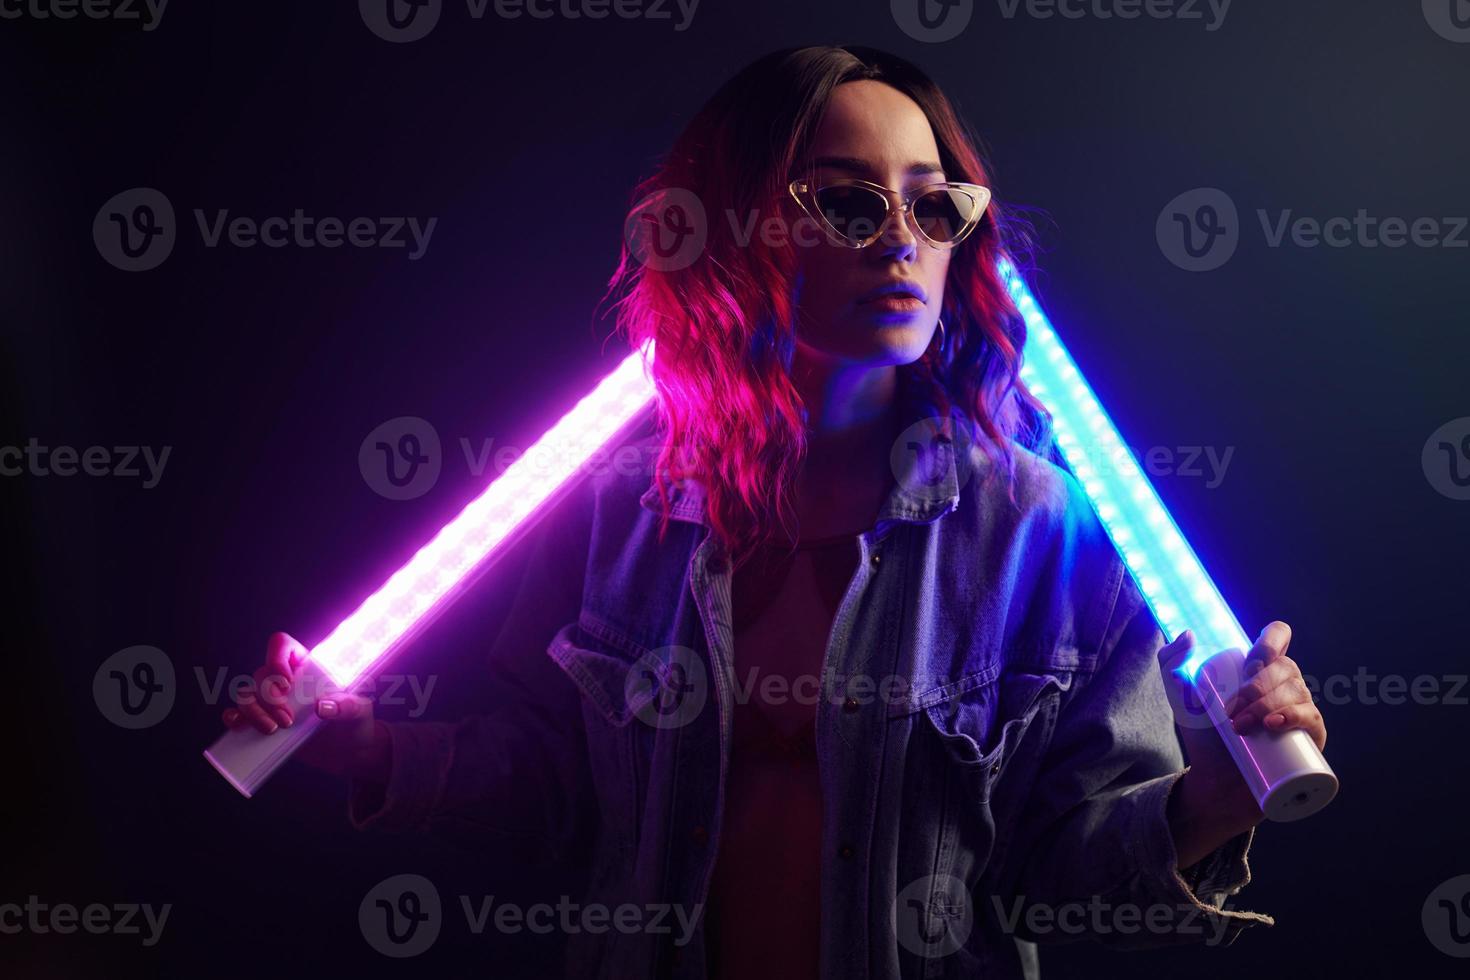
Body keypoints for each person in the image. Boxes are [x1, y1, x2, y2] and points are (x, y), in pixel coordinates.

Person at [220, 44, 1328, 980]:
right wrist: (374, 753)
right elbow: (555, 786)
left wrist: (1221, 795)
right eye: (846, 200)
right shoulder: (619, 501)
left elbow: (1060, 857)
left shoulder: (1045, 527)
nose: (902, 236)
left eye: (932, 203)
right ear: (737, 226)